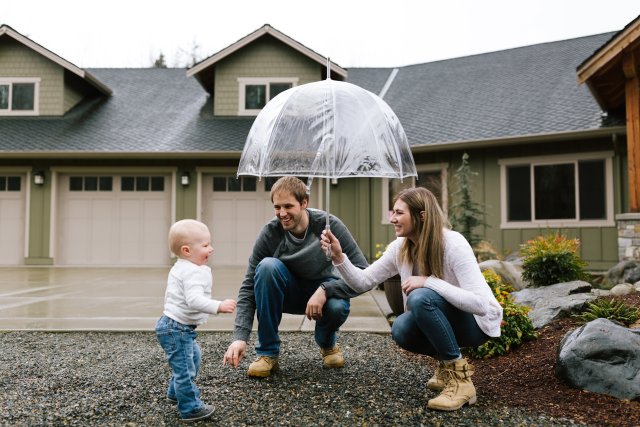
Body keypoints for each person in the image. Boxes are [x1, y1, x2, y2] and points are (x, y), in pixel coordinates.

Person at [320, 187, 503, 411]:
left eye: (399, 213)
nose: (393, 219)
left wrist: (428, 281)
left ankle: (461, 384)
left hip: (476, 324)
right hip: (448, 318)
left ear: (421, 216)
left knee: (419, 297)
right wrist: (339, 257)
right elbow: (363, 282)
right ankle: (446, 367)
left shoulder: (453, 244)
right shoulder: (400, 248)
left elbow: (480, 304)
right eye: (392, 213)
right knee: (401, 328)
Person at [223, 176, 368, 377]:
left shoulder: (329, 226)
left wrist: (326, 289)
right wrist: (240, 336)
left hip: (324, 298)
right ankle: (267, 352)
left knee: (338, 306)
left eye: (288, 206)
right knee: (266, 268)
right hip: (287, 293)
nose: (282, 214)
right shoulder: (270, 233)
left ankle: (327, 343)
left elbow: (363, 272)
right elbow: (249, 285)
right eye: (277, 207)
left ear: (304, 203)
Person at [156, 219, 237, 423]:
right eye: (205, 245)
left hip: (176, 327)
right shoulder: (190, 271)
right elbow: (193, 300)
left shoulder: (184, 266)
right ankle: (190, 408)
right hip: (176, 328)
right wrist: (218, 306)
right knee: (185, 368)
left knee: (193, 358)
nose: (211, 248)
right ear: (186, 250)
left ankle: (175, 393)